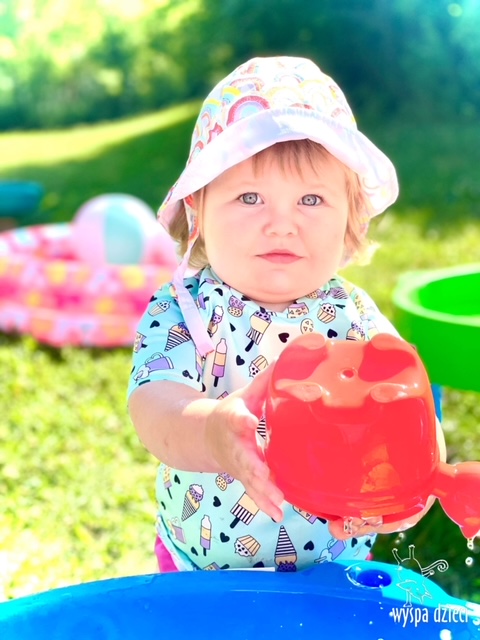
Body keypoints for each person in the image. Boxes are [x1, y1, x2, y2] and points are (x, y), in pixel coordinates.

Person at [128, 56, 446, 572]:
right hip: (202, 568)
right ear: (198, 211)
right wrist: (211, 432)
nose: (281, 224)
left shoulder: (352, 316)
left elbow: (411, 407)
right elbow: (154, 408)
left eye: (311, 199)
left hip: (333, 562)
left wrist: (415, 479)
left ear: (349, 219)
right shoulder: (185, 310)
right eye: (250, 197)